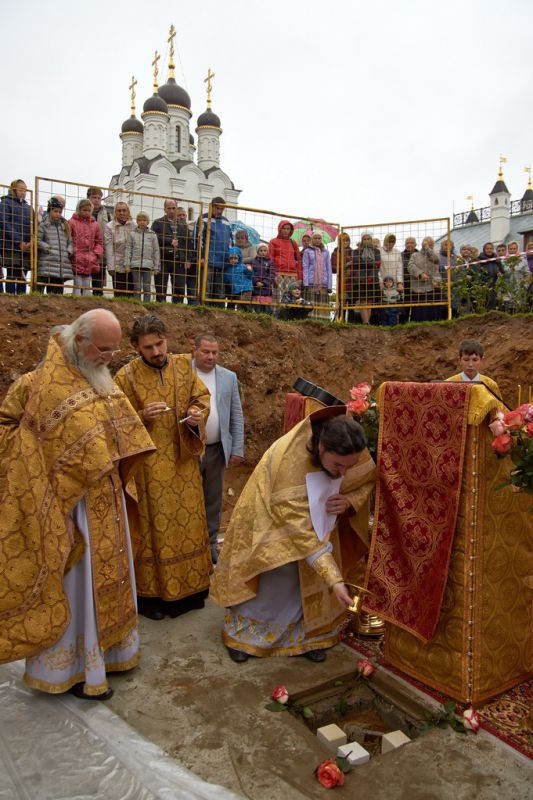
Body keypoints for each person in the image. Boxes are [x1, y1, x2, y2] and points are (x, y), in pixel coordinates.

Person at [0, 309, 155, 699]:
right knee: (76, 585)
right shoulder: (34, 385)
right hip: (64, 506)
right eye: (103, 349)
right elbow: (5, 432)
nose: (109, 357)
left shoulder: (102, 381)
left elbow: (124, 432)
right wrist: (35, 448)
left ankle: (113, 652)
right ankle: (72, 670)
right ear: (79, 340)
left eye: (114, 351)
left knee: (112, 579)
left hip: (108, 497)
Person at [210, 410, 376, 662]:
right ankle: (247, 638)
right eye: (337, 466)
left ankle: (311, 636)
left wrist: (349, 500)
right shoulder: (290, 465)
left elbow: (366, 477)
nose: (343, 473)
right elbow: (302, 534)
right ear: (320, 447)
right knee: (277, 568)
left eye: (348, 466)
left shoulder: (351, 446)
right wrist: (334, 579)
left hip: (319, 519)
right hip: (271, 516)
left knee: (310, 576)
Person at [114, 314, 212, 621]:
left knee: (188, 525)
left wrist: (197, 413)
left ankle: (193, 590)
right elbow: (113, 421)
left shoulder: (184, 366)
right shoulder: (125, 377)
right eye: (148, 347)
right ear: (135, 347)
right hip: (147, 472)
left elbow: (201, 397)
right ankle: (152, 598)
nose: (157, 351)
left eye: (160, 343)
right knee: (152, 530)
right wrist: (141, 416)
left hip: (182, 466)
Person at [192, 333, 244, 564]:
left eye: (215, 352)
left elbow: (236, 414)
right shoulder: (182, 373)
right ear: (194, 350)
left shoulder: (228, 377)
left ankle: (210, 543)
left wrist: (237, 448)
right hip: (190, 449)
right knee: (189, 498)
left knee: (213, 499)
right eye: (206, 351)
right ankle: (189, 545)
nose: (211, 356)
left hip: (216, 449)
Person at [152, 199, 196, 304]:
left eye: (173, 208)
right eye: (169, 208)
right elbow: (153, 237)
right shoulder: (158, 223)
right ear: (164, 209)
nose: (171, 211)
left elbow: (187, 243)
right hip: (163, 259)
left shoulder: (183, 225)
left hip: (179, 260)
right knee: (161, 287)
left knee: (179, 288)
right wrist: (169, 241)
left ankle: (178, 310)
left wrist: (188, 259)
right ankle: (161, 308)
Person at [193, 197, 233, 304]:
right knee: (206, 289)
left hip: (222, 261)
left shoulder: (226, 222)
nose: (219, 211)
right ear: (211, 206)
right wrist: (200, 256)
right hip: (208, 260)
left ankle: (218, 313)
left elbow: (230, 241)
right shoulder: (204, 219)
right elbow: (198, 239)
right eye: (217, 208)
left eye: (221, 209)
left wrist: (230, 256)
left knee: (220, 291)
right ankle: (203, 311)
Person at [0, 179, 33, 294]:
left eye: (25, 190)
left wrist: (30, 242)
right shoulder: (6, 203)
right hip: (11, 245)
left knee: (23, 274)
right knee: (12, 272)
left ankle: (22, 299)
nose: (23, 193)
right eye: (20, 190)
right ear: (13, 189)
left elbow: (33, 227)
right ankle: (10, 298)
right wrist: (19, 241)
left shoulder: (29, 208)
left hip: (26, 247)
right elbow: (4, 222)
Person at [37, 197, 73, 294]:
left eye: (60, 212)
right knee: (42, 291)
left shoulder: (64, 226)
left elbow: (70, 241)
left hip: (61, 265)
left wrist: (68, 251)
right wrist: (47, 247)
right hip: (47, 262)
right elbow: (37, 240)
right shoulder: (43, 225)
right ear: (49, 210)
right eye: (55, 211)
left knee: (58, 293)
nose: (58, 214)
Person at [69, 198, 103, 296]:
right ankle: (76, 300)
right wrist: (72, 251)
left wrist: (96, 253)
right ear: (78, 210)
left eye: (89, 210)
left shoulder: (95, 224)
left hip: (90, 258)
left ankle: (86, 302)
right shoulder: (72, 222)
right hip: (76, 256)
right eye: (84, 210)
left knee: (87, 282)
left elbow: (99, 241)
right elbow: (68, 238)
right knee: (77, 282)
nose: (86, 212)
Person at [268, 220, 302, 311]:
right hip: (278, 274)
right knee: (278, 298)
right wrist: (272, 275)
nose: (286, 231)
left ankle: (290, 320)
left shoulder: (293, 243)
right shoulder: (273, 242)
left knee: (292, 299)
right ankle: (277, 319)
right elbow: (270, 260)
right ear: (280, 229)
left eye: (288, 229)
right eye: (284, 228)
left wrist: (299, 277)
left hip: (293, 275)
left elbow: (298, 260)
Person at [127, 211, 160, 302]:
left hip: (148, 265)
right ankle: (137, 303)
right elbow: (128, 249)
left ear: (148, 222)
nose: (142, 222)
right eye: (139, 220)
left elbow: (156, 251)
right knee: (136, 286)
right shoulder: (132, 234)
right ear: (137, 221)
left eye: (144, 220)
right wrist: (127, 264)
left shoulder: (152, 235)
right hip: (135, 264)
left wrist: (156, 266)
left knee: (147, 286)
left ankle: (146, 304)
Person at [104, 202, 135, 298]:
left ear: (128, 212)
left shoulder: (134, 225)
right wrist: (111, 267)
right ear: (115, 212)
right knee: (119, 294)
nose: (122, 213)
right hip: (117, 264)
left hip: (132, 264)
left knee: (131, 293)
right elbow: (108, 247)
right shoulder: (109, 226)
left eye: (124, 210)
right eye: (119, 210)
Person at [408, 236, 442, 322]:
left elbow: (436, 260)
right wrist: (420, 273)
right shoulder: (415, 255)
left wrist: (427, 249)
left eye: (430, 244)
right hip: (418, 288)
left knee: (433, 311)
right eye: (425, 244)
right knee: (419, 312)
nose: (427, 246)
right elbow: (410, 266)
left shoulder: (436, 254)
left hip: (433, 287)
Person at [87, 187, 112, 296]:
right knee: (84, 282)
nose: (96, 200)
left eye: (99, 198)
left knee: (98, 283)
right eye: (94, 197)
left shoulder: (107, 214)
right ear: (88, 198)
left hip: (101, 254)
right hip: (86, 253)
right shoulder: (83, 212)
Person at [351, 233, 381, 324]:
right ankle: (365, 322)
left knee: (370, 301)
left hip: (372, 278)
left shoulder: (376, 251)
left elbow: (377, 265)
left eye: (368, 239)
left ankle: (368, 321)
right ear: (362, 240)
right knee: (363, 300)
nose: (367, 241)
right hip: (361, 279)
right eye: (365, 239)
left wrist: (365, 264)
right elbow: (356, 262)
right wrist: (371, 263)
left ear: (371, 240)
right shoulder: (356, 251)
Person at [302, 231, 332, 319]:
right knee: (311, 304)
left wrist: (329, 285)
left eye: (319, 238)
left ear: (321, 239)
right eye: (315, 238)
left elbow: (328, 268)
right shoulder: (307, 251)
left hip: (323, 282)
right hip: (311, 282)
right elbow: (305, 267)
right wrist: (306, 283)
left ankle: (323, 322)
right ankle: (310, 323)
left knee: (322, 305)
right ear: (312, 239)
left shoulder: (326, 252)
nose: (317, 240)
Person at [331, 232, 354, 322]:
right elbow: (333, 268)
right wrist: (345, 265)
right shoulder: (335, 253)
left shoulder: (353, 252)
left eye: (347, 241)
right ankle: (340, 321)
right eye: (343, 241)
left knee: (352, 304)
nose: (345, 243)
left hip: (353, 281)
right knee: (342, 303)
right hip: (342, 281)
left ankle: (351, 324)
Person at [225, 245, 253, 310]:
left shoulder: (242, 266)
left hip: (246, 288)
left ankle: (251, 312)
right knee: (239, 306)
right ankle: (241, 317)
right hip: (236, 289)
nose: (233, 260)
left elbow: (250, 276)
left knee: (243, 301)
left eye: (235, 258)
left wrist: (249, 270)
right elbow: (226, 279)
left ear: (239, 258)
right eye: (231, 258)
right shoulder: (228, 269)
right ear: (228, 259)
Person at [251, 243, 276, 313]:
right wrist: (256, 282)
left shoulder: (270, 262)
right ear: (257, 251)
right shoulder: (254, 262)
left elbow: (272, 274)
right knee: (257, 309)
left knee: (267, 309)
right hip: (256, 289)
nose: (263, 252)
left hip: (266, 289)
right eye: (261, 251)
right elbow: (252, 273)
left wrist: (264, 283)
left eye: (265, 250)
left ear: (267, 251)